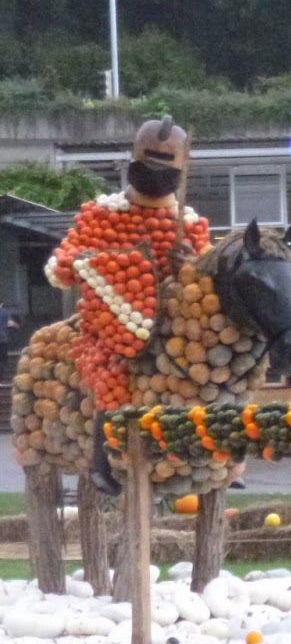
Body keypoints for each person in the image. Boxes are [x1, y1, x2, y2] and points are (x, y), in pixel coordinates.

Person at [46, 116, 210, 492]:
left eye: (166, 164)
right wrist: (88, 262)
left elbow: (207, 279)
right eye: (148, 161)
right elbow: (62, 263)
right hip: (108, 326)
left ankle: (210, 456)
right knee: (112, 374)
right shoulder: (101, 215)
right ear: (133, 158)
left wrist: (190, 265)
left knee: (208, 372)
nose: (156, 171)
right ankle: (103, 459)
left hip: (173, 325)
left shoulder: (188, 224)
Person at [0, 299, 18, 384]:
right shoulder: (5, 313)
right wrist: (16, 325)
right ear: (1, 304)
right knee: (2, 360)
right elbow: (11, 323)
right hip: (3, 339)